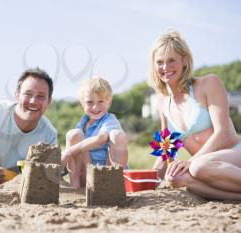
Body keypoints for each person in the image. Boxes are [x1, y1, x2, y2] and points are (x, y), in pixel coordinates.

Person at [147, 29, 241, 200]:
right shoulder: (161, 101)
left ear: (184, 60)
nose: (165, 67)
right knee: (174, 177)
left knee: (198, 166)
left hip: (234, 154)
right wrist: (146, 180)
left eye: (171, 60)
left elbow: (223, 133)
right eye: (159, 62)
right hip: (205, 166)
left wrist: (190, 161)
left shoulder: (209, 83)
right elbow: (167, 151)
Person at [61, 77, 128, 189]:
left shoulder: (109, 120)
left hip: (107, 172)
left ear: (109, 103)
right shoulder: (82, 123)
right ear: (81, 104)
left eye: (100, 101)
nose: (95, 107)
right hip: (87, 175)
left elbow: (100, 139)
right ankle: (75, 185)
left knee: (117, 135)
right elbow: (77, 147)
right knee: (73, 134)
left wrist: (69, 151)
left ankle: (112, 185)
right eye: (89, 102)